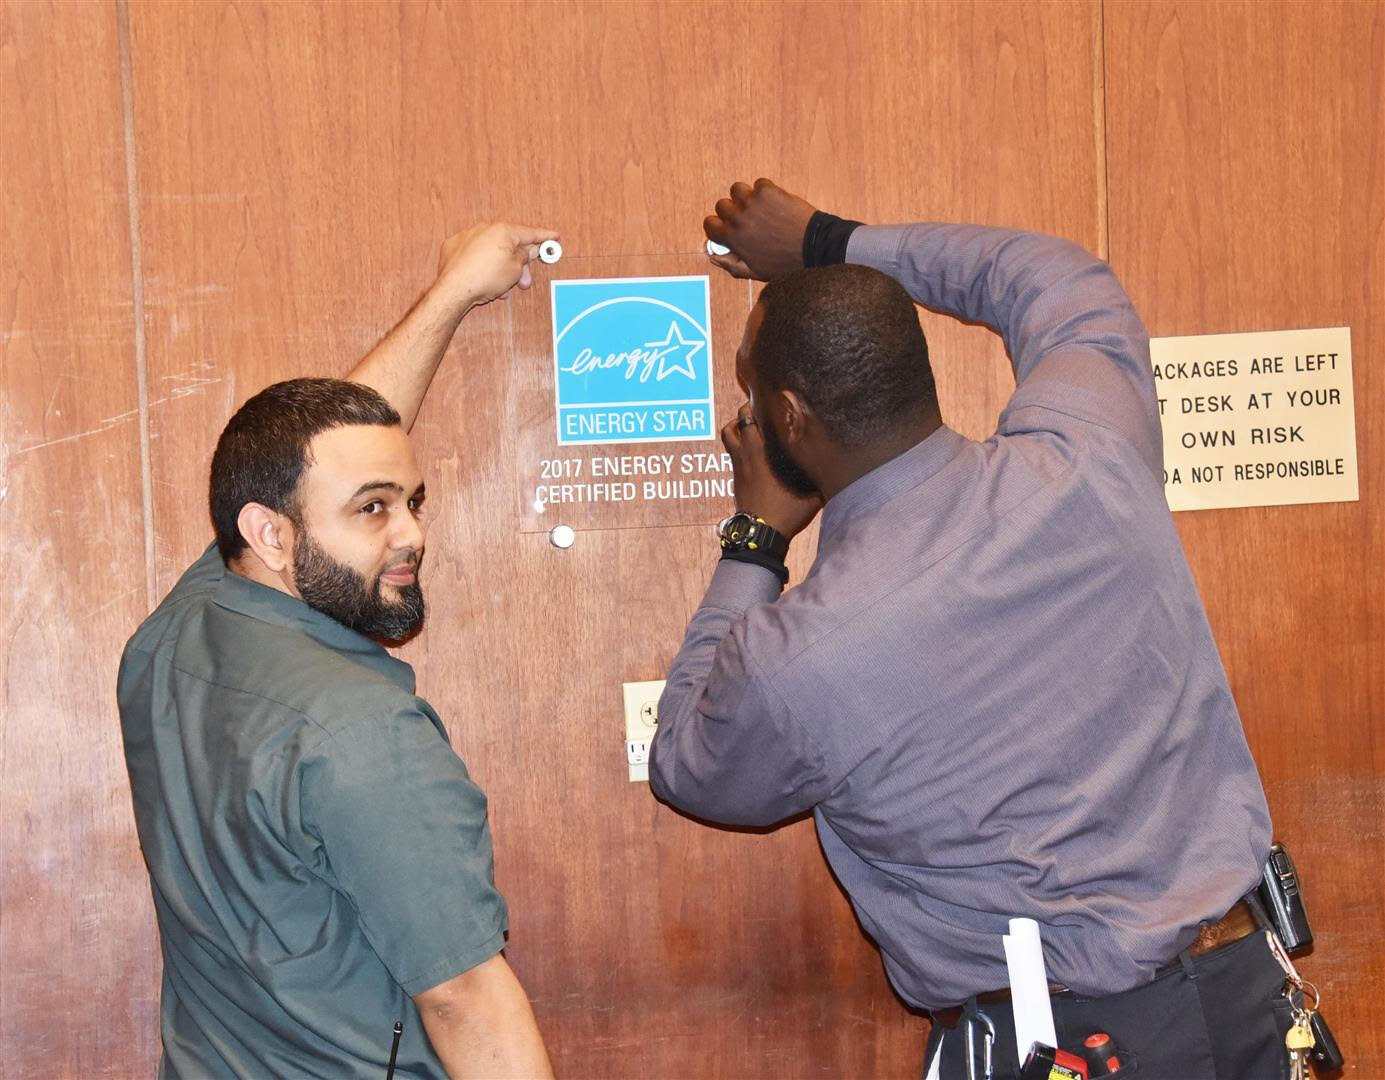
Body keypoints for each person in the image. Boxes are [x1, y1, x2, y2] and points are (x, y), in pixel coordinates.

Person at [648, 179, 1288, 1078]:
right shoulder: (1089, 455)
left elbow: (689, 764)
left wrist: (756, 540)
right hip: (1243, 1000)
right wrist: (830, 239)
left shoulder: (795, 659)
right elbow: (1050, 276)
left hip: (1061, 1046)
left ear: (788, 418)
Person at [118, 223, 558, 1079]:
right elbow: (464, 995)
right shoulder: (366, 731)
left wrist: (453, 295)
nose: (413, 534)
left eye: (411, 501)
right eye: (373, 510)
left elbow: (300, 458)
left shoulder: (168, 641)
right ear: (272, 536)